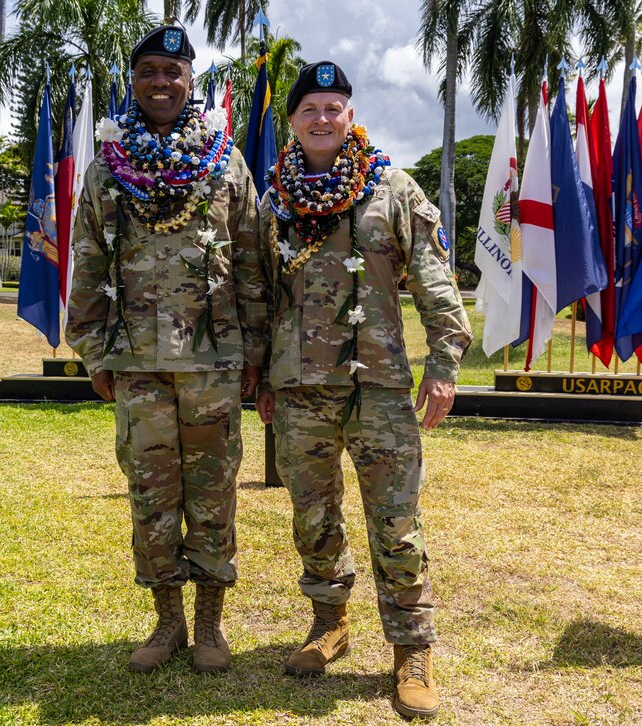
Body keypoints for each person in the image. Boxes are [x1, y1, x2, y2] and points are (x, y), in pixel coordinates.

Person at [255, 61, 472, 719]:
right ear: (291, 122)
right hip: (298, 389)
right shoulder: (272, 201)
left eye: (333, 107)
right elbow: (260, 296)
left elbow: (435, 280)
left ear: (349, 116)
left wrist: (444, 362)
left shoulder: (393, 190)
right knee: (313, 516)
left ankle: (411, 650)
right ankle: (330, 623)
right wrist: (260, 376)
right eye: (309, 109)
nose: (322, 119)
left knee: (396, 521)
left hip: (376, 387)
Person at [66, 24, 268, 675]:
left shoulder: (224, 160)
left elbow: (253, 263)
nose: (161, 82)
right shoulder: (107, 168)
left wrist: (256, 352)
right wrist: (94, 352)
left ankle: (210, 621)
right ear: (134, 79)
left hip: (213, 364)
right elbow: (88, 261)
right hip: (137, 363)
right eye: (149, 70)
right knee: (151, 495)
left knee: (213, 493)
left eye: (172, 72)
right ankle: (167, 621)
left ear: (190, 81)